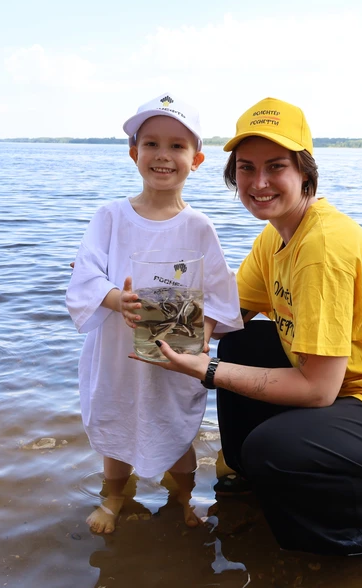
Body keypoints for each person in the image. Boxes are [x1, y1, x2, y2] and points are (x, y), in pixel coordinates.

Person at [133, 97, 362, 576]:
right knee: (245, 342)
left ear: (304, 172)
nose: (258, 183)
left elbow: (318, 391)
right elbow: (222, 315)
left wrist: (207, 369)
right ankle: (268, 483)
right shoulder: (275, 237)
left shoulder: (322, 248)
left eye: (276, 167)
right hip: (361, 395)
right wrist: (127, 302)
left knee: (271, 448)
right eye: (247, 168)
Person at [66, 92, 243, 534]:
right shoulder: (110, 217)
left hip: (172, 357)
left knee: (175, 430)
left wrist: (203, 333)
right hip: (116, 354)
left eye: (177, 146)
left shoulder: (199, 227)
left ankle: (183, 498)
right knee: (118, 425)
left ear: (196, 159)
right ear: (134, 153)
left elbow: (221, 294)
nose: (163, 156)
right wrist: (113, 299)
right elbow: (85, 274)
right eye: (151, 144)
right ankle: (113, 497)